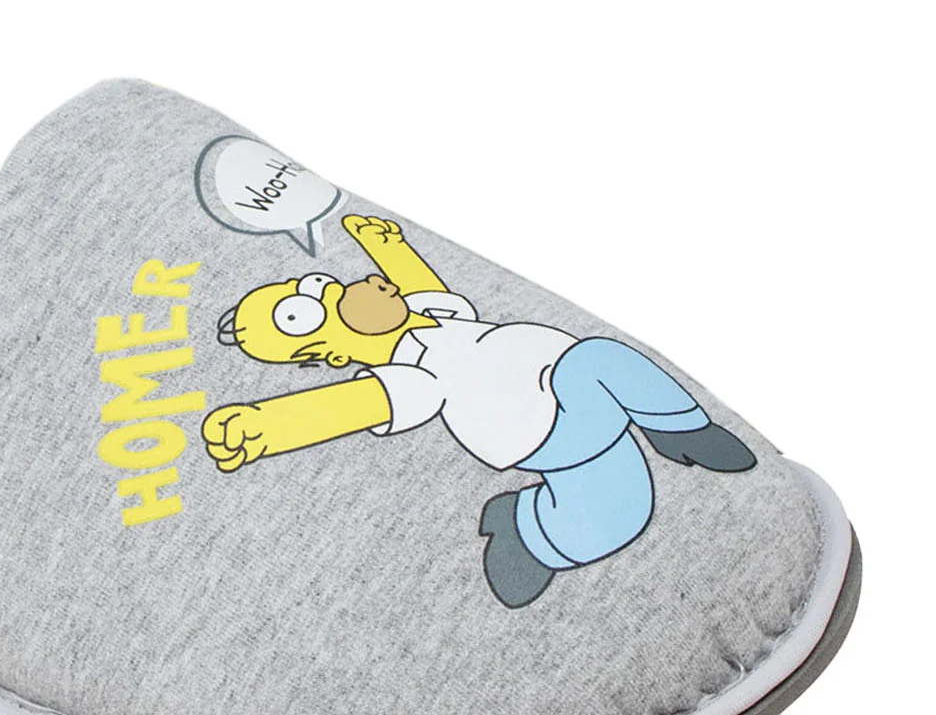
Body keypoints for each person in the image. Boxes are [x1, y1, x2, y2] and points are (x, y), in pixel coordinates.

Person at [204, 214, 756, 607]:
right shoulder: (410, 377)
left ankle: (530, 531)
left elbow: (420, 285)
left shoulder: (437, 316)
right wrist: (265, 427)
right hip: (545, 428)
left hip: (571, 412)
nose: (349, 288)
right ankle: (682, 428)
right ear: (330, 353)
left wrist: (388, 246)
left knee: (619, 512)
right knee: (597, 362)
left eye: (320, 284)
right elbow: (351, 405)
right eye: (308, 311)